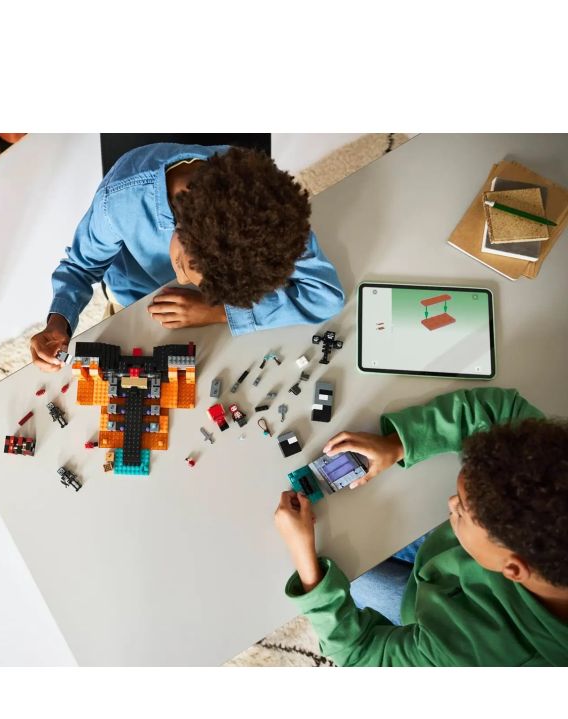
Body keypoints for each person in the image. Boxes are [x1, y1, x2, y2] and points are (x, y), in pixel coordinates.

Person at [273, 387, 568, 666]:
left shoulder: (468, 657)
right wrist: (397, 444)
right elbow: (501, 411)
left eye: (462, 509)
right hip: (444, 558)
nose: (450, 503)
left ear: (513, 569)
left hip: (426, 612)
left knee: (349, 575)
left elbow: (358, 653)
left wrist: (304, 559)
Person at [30, 143, 345, 371]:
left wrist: (216, 311)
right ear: (181, 226)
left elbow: (326, 296)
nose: (180, 280)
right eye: (182, 266)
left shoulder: (268, 211)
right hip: (140, 305)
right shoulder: (119, 202)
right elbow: (80, 266)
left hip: (211, 318)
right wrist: (58, 323)